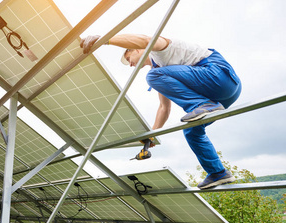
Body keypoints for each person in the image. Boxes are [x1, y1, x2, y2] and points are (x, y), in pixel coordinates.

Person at [80, 34, 241, 189]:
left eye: (129, 59)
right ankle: (218, 172)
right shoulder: (162, 72)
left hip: (219, 75)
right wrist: (152, 135)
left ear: (136, 49)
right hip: (222, 96)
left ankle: (203, 104)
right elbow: (164, 107)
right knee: (191, 131)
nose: (130, 64)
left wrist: (104, 40)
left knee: (153, 76)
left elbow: (145, 39)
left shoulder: (160, 51)